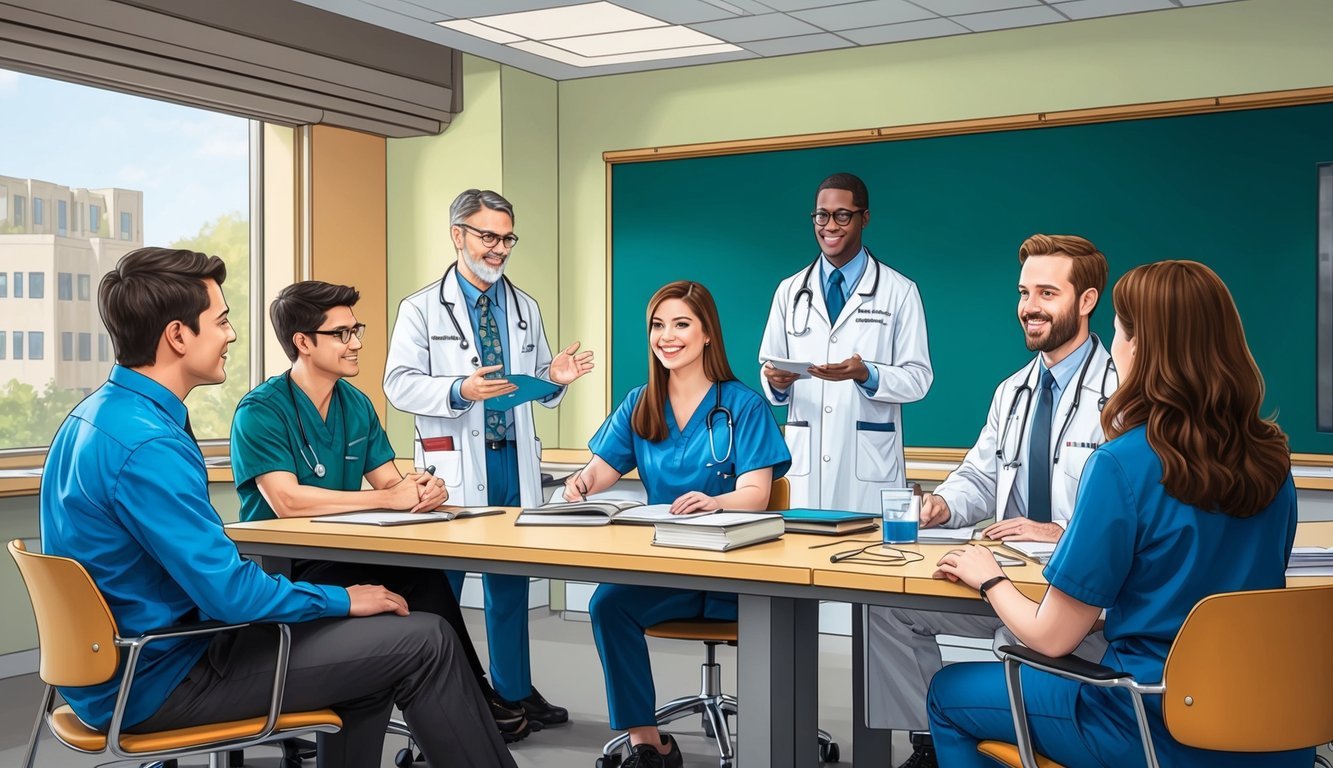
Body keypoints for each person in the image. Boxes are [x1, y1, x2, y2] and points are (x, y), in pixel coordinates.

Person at [40, 247, 517, 768]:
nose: (232, 335)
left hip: (118, 667)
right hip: (161, 677)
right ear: (178, 336)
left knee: (380, 646)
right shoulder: (150, 444)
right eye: (221, 321)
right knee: (425, 641)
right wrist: (342, 600)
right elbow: (230, 595)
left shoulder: (94, 417)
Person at [927, 260, 1306, 767]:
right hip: (1269, 725)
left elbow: (1053, 636)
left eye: (1121, 332)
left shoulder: (1121, 464)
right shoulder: (1272, 459)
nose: (1116, 346)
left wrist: (990, 578)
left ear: (1144, 349)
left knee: (949, 694)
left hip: (1149, 722)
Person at [230, 279, 532, 741]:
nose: (356, 344)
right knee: (418, 585)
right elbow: (286, 501)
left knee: (424, 577)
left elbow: (391, 481)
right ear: (303, 343)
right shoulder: (261, 410)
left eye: (357, 330)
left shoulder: (355, 404)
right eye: (342, 334)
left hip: (340, 555)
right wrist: (386, 498)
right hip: (282, 566)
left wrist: (425, 489)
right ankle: (466, 701)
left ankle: (465, 697)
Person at [866, 234, 1116, 768]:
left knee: (1033, 647)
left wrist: (1059, 533)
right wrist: (942, 505)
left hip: (1085, 595)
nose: (1029, 307)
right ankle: (930, 740)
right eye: (1024, 293)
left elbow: (1129, 515)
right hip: (1011, 573)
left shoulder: (1122, 392)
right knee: (886, 608)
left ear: (1087, 301)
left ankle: (1010, 728)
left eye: (1047, 293)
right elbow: (980, 477)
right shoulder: (1012, 391)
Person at [385, 188, 593, 729]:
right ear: (458, 236)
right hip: (452, 466)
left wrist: (555, 381)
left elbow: (539, 379)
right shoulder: (419, 308)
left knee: (510, 585)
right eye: (488, 236)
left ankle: (515, 691)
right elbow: (398, 385)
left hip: (512, 457)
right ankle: (449, 698)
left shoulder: (524, 307)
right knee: (442, 590)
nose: (499, 248)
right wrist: (459, 389)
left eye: (507, 238)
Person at [565, 281, 790, 768]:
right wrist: (580, 485)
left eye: (681, 324)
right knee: (608, 603)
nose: (667, 336)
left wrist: (715, 502)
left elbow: (757, 494)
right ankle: (650, 744)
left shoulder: (744, 405)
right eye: (658, 325)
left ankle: (774, 745)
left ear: (708, 333)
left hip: (737, 571)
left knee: (777, 615)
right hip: (668, 568)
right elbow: (601, 471)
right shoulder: (641, 402)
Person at [757, 172, 932, 512]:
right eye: (822, 216)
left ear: (863, 218)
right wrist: (775, 381)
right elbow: (769, 367)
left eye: (842, 215)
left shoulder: (899, 291)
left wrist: (867, 374)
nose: (830, 226)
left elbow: (918, 378)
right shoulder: (789, 291)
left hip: (868, 473)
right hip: (802, 471)